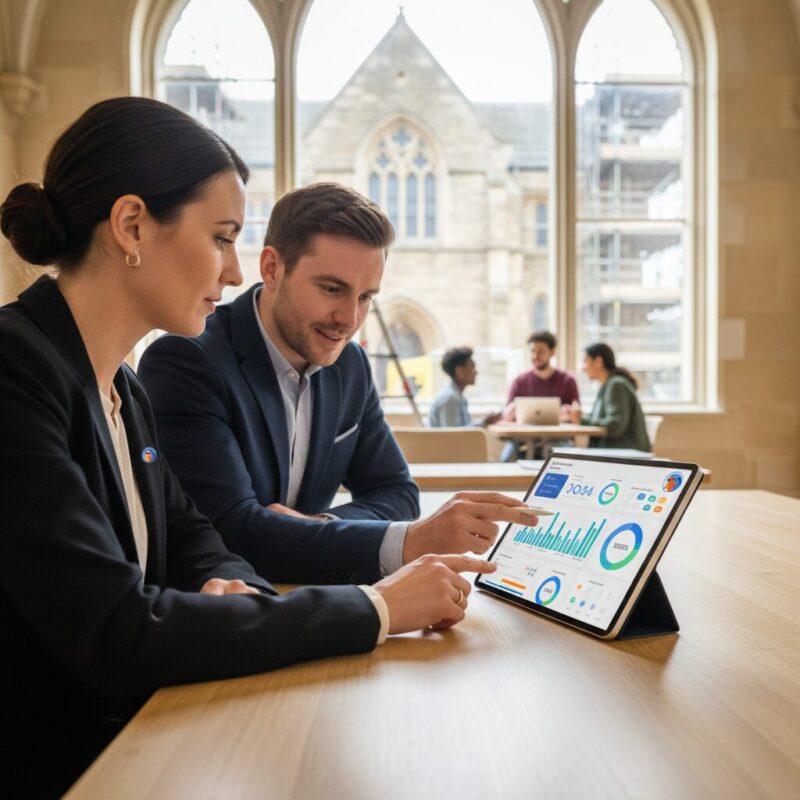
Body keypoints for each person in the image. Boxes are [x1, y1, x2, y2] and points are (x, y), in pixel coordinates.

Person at [0, 98, 520, 797]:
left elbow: (194, 538)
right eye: (221, 237)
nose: (236, 270)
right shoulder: (14, 372)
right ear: (132, 227)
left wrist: (235, 587)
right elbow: (119, 629)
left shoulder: (122, 382)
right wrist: (379, 607)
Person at [139, 183, 527, 585]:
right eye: (332, 289)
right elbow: (230, 532)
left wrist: (319, 523)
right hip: (226, 614)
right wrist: (409, 542)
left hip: (305, 593)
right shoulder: (187, 362)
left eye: (365, 297)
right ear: (272, 268)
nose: (348, 319)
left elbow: (396, 491)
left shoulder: (351, 365)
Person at [563, 343, 650, 451]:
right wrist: (577, 417)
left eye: (585, 361)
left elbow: (615, 426)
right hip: (617, 451)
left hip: (625, 452)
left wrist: (581, 419)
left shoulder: (616, 385)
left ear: (598, 361)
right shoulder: (607, 386)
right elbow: (602, 420)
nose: (583, 369)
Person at [502, 330, 580, 419]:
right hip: (526, 432)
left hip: (558, 432)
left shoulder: (568, 380)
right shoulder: (519, 381)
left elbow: (576, 414)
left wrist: (571, 413)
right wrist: (509, 413)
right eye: (532, 351)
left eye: (541, 352)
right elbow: (507, 415)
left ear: (552, 352)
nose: (536, 356)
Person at [429, 346, 501, 427]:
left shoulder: (456, 396)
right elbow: (453, 436)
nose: (476, 373)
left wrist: (485, 422)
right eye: (472, 368)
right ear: (459, 371)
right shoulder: (449, 399)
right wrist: (484, 423)